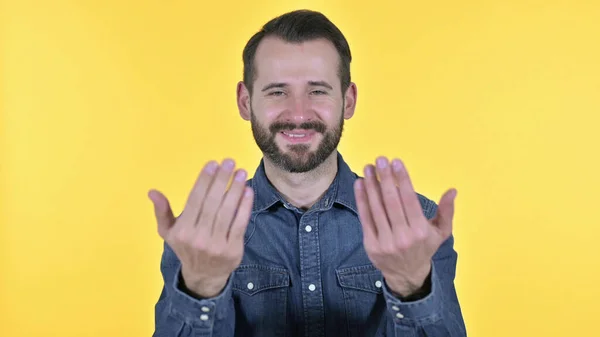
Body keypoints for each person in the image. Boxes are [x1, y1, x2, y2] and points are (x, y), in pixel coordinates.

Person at [149, 9, 466, 337]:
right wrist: (200, 289)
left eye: (317, 91)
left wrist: (412, 288)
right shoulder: (200, 234)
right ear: (245, 102)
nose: (298, 114)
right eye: (277, 91)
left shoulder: (416, 226)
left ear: (348, 100)